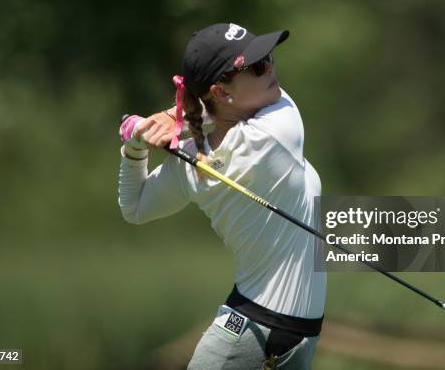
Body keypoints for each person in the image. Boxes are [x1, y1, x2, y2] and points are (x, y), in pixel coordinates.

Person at [117, 23, 326, 370]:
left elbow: (134, 207)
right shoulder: (278, 129)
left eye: (269, 58)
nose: (271, 70)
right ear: (223, 93)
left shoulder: (190, 159)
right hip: (249, 336)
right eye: (257, 67)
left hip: (279, 336)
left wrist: (136, 145)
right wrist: (176, 116)